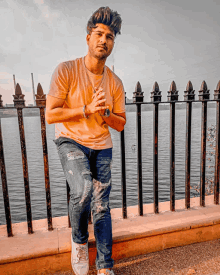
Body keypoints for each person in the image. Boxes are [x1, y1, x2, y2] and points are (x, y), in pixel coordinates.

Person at [46, 6, 126, 275]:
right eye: (99, 33)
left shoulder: (114, 83)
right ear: (88, 37)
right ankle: (79, 241)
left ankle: (105, 266)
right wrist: (86, 110)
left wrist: (105, 114)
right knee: (82, 191)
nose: (104, 40)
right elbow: (51, 115)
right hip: (71, 140)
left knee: (102, 205)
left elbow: (121, 123)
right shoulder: (66, 70)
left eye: (110, 36)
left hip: (102, 146)